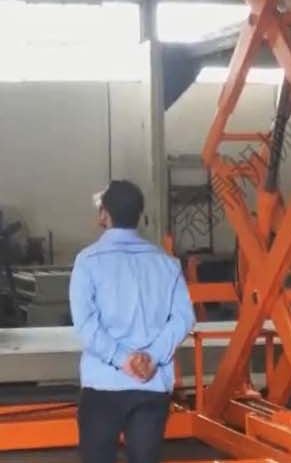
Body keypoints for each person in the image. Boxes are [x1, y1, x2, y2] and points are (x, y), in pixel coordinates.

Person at [69, 180, 195, 463]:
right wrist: (151, 357)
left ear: (104, 214)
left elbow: (86, 324)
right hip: (151, 386)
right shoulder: (166, 263)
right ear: (140, 215)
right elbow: (184, 317)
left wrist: (122, 359)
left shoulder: (88, 261)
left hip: (103, 385)